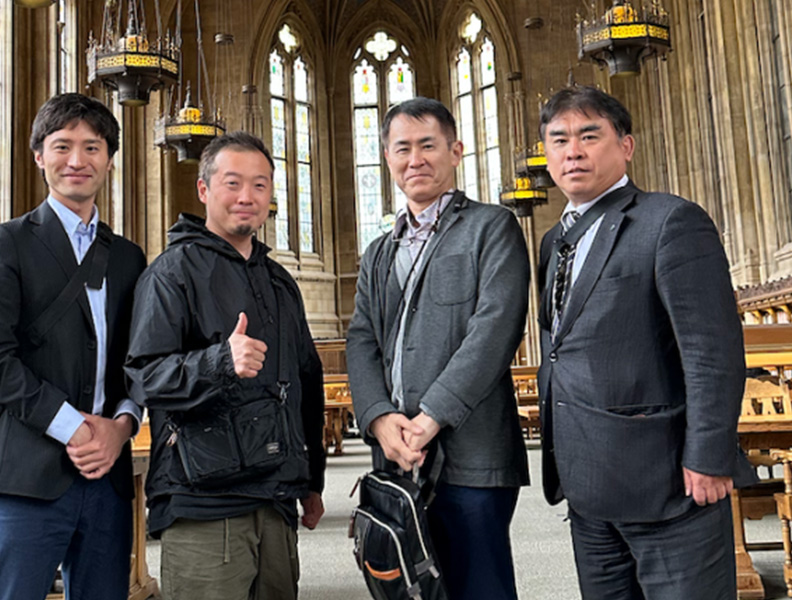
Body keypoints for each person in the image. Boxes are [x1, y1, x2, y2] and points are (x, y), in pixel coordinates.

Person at [536, 85, 756, 600]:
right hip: (587, 488)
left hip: (669, 485)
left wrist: (708, 456)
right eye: (559, 139)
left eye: (590, 135)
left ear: (626, 146)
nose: (574, 151)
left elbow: (712, 351)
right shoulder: (554, 241)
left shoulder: (670, 221)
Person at [125, 131, 326, 600]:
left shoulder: (280, 282)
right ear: (203, 189)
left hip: (276, 498)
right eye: (233, 183)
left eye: (259, 185)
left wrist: (311, 478)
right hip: (203, 503)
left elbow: (305, 382)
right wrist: (219, 361)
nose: (246, 197)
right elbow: (144, 378)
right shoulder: (170, 273)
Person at [346, 97, 530, 600]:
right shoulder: (378, 252)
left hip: (472, 454)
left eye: (428, 145)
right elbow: (362, 339)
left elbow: (494, 332)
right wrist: (380, 418)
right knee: (409, 589)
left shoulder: (492, 228)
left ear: (455, 151)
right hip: (397, 457)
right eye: (402, 148)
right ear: (386, 159)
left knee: (479, 587)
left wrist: (429, 418)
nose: (415, 160)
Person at [0, 93, 147, 600]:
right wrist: (75, 428)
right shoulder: (7, 242)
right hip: (26, 475)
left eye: (92, 147)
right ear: (39, 156)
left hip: (106, 479)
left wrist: (122, 426)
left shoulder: (129, 257)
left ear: (109, 159)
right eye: (62, 145)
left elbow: (140, 360)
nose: (77, 160)